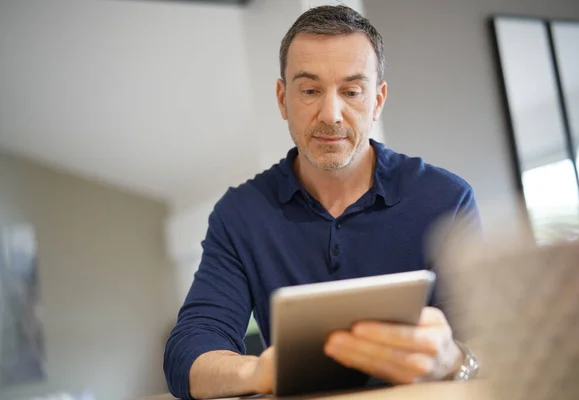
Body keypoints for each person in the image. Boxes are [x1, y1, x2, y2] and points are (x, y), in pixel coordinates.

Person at [164, 5, 480, 400]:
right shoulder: (239, 215)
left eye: (351, 91)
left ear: (378, 100)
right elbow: (186, 356)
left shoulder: (447, 200)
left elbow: (490, 345)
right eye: (310, 91)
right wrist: (260, 370)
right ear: (282, 99)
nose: (331, 114)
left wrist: (453, 360)